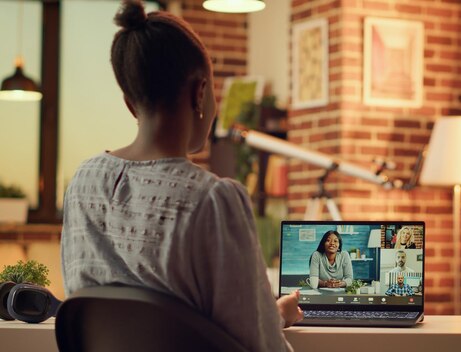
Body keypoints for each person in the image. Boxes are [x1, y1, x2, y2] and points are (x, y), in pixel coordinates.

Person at [60, 1, 302, 351]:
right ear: (200, 92)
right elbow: (261, 348)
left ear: (130, 104)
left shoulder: (83, 185)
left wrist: (271, 315)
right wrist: (271, 323)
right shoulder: (213, 200)